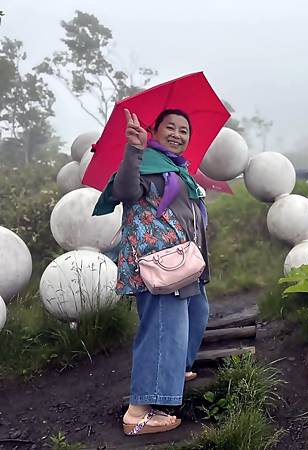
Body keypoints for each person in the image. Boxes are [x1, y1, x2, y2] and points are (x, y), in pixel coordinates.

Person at [93, 108, 210, 436]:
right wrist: (133, 149)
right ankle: (141, 410)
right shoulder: (145, 162)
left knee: (196, 314)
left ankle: (173, 370)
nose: (177, 134)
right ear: (153, 131)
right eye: (170, 127)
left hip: (183, 264)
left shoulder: (178, 168)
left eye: (184, 130)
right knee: (162, 330)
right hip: (160, 266)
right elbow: (126, 191)